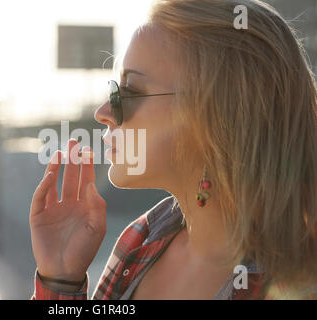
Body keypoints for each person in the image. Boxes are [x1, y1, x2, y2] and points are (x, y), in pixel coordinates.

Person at [29, 0, 317, 300]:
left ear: (214, 115)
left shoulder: (298, 285)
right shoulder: (141, 238)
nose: (104, 111)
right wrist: (61, 279)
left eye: (128, 92)